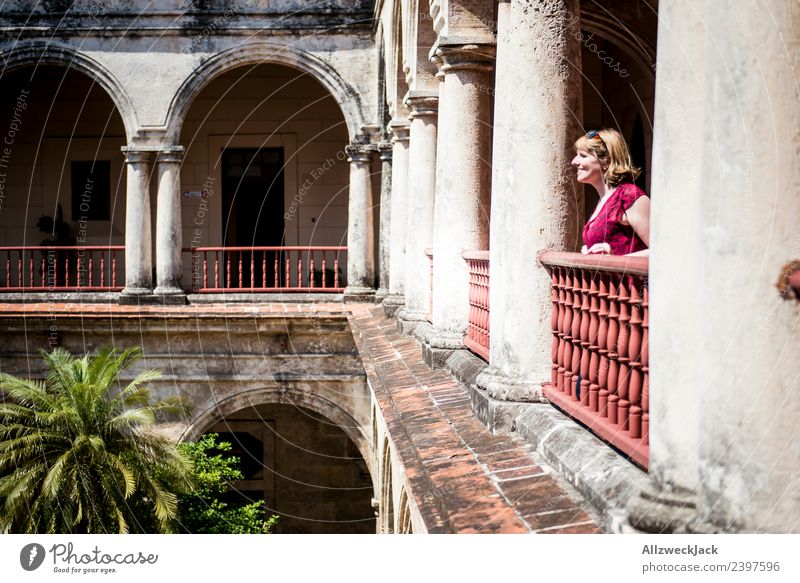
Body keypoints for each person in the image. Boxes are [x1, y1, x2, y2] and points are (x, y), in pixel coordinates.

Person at [571, 128, 650, 256]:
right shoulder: (603, 200)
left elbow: (663, 251)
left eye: (583, 156)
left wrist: (614, 258)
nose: (574, 161)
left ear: (606, 161)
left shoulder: (629, 195)